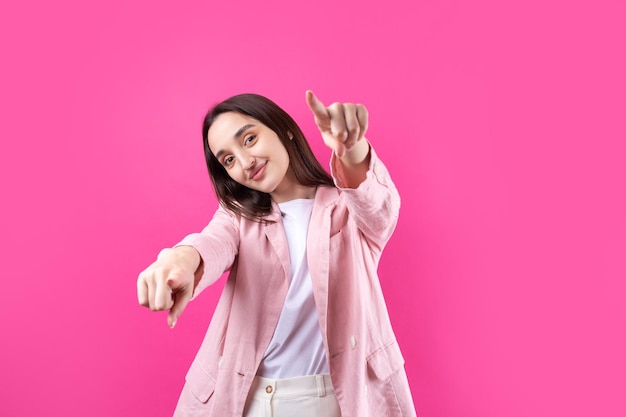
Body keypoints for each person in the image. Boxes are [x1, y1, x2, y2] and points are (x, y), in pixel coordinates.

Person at [137, 91, 417, 417]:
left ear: (283, 129)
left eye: (250, 139)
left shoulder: (349, 211)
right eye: (228, 160)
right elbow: (211, 243)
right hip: (249, 399)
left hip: (333, 400)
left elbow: (380, 206)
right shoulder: (238, 217)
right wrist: (180, 259)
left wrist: (352, 149)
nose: (245, 162)